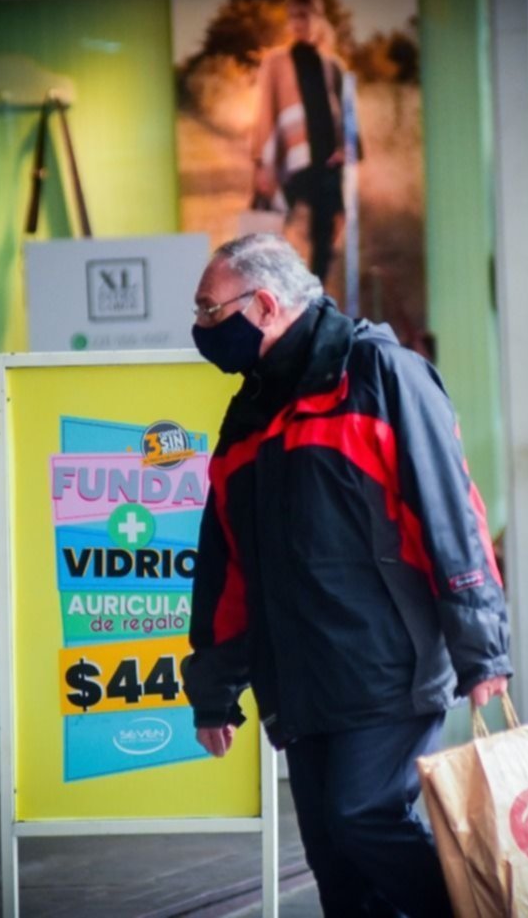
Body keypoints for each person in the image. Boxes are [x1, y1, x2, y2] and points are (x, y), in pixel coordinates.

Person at [183, 233, 511, 917]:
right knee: (333, 850)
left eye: (210, 311)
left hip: (385, 664)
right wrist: (214, 688)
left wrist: (482, 651)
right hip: (297, 676)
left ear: (266, 305)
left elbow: (451, 515)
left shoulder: (379, 372)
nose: (200, 329)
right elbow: (226, 560)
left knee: (364, 815)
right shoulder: (247, 412)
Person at [251, 0, 353, 283]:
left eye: (304, 15)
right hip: (291, 160)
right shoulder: (276, 62)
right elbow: (264, 113)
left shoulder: (332, 65)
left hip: (327, 162)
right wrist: (262, 161)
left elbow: (345, 116)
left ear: (318, 19)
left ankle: (315, 297)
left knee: (325, 236)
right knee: (272, 228)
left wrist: (342, 148)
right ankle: (271, 290)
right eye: (293, 17)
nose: (298, 23)